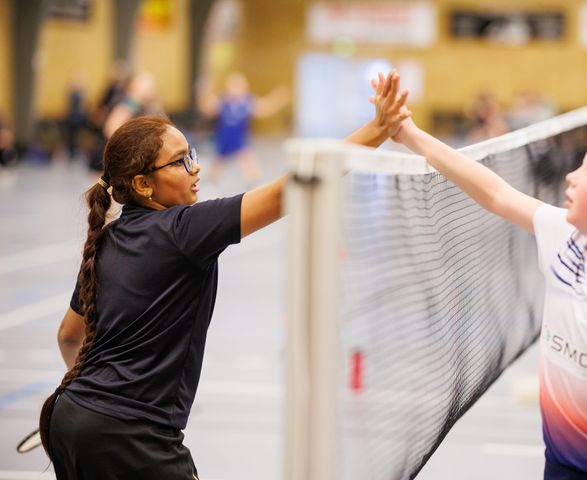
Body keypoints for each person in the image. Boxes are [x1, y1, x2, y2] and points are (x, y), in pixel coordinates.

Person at [39, 71, 410, 479]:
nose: (194, 168)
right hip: (133, 437)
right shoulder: (185, 229)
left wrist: (93, 405)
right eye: (180, 162)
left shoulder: (105, 240)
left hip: (69, 420)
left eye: (192, 153)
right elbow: (289, 191)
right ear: (144, 184)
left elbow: (68, 336)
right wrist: (378, 129)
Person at [386, 113, 587, 478]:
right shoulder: (565, 238)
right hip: (561, 466)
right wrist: (409, 134)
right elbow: (496, 193)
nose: (571, 176)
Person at [197, 71, 290, 188]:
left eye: (239, 86)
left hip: (239, 139)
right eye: (233, 86)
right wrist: (203, 91)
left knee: (247, 159)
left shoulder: (248, 102)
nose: (236, 89)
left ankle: (254, 181)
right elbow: (206, 108)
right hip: (225, 138)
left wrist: (278, 98)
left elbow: (265, 109)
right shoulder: (223, 102)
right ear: (227, 88)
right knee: (219, 161)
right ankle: (211, 182)